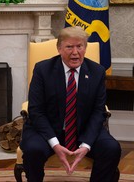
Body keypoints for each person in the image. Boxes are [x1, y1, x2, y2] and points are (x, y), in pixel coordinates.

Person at [20, 26, 121, 182]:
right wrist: (55, 144)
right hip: (48, 130)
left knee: (111, 148)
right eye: (69, 47)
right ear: (59, 49)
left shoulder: (97, 72)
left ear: (85, 48)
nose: (75, 52)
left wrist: (86, 145)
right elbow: (36, 111)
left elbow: (97, 111)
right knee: (33, 149)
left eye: (79, 46)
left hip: (84, 130)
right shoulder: (43, 70)